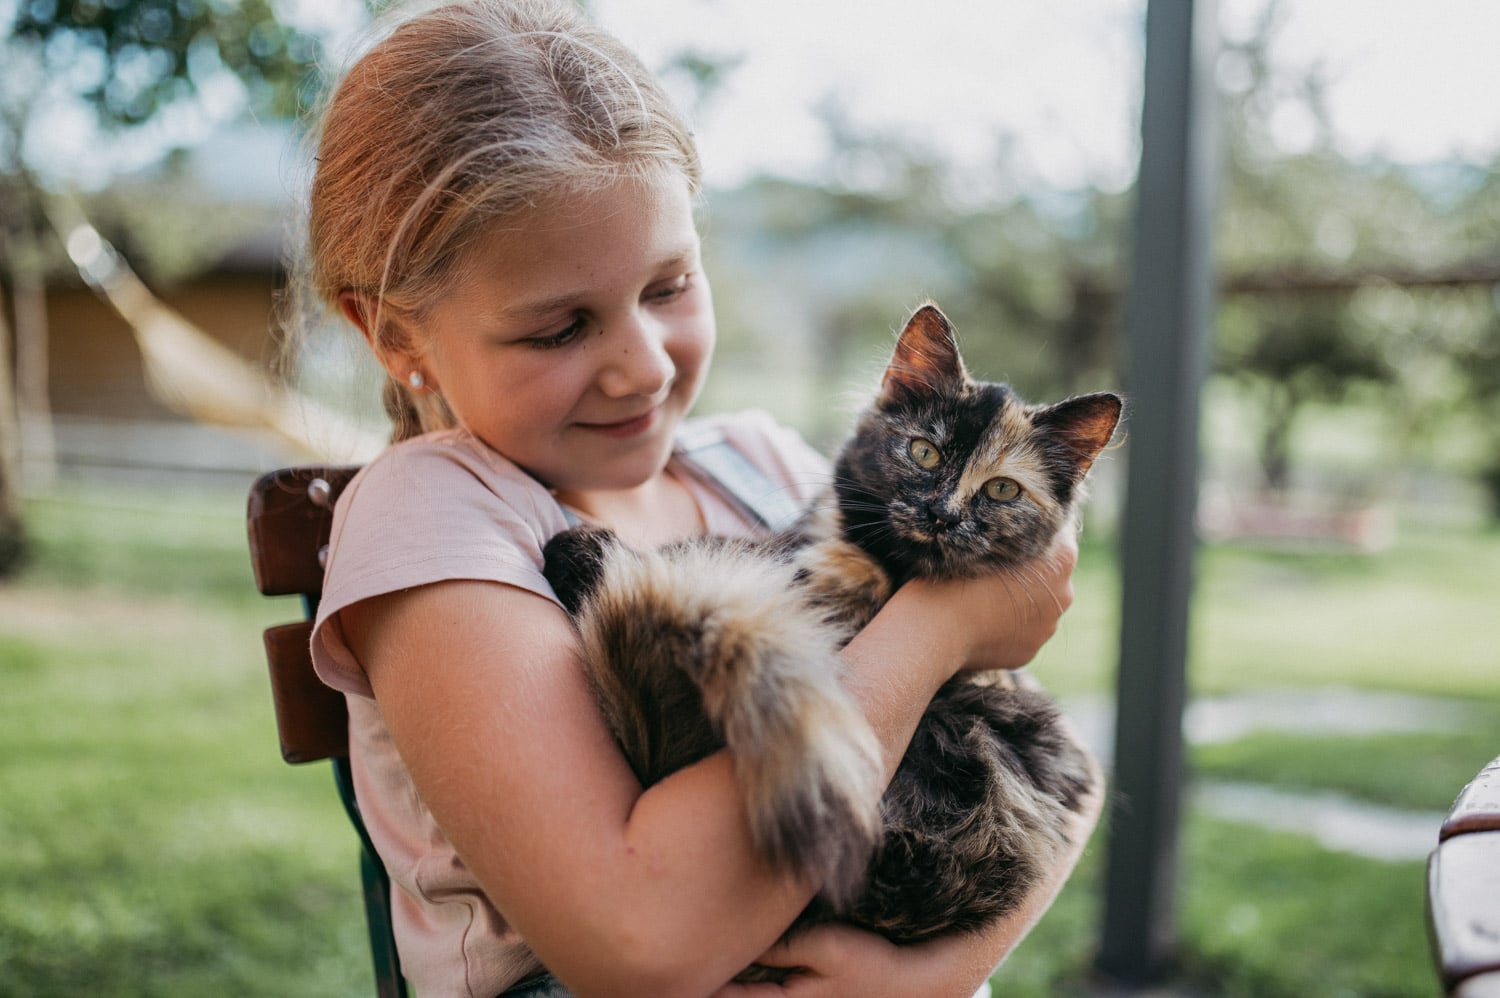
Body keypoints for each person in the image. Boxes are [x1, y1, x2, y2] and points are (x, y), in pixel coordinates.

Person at [295, 1, 1102, 995]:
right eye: (559, 328)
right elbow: (642, 939)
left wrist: (937, 971)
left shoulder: (755, 462)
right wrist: (939, 627)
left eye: (670, 284)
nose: (639, 367)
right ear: (395, 336)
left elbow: (1067, 781)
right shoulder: (435, 517)